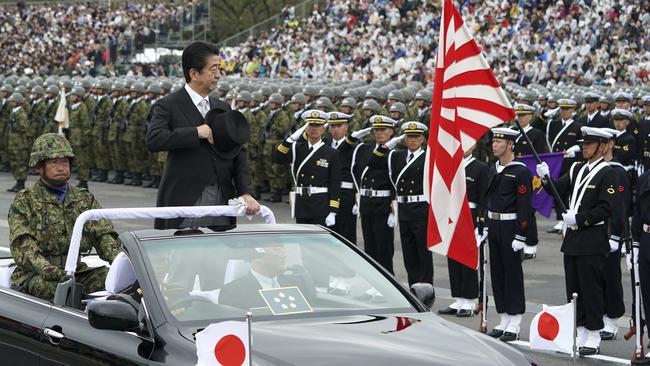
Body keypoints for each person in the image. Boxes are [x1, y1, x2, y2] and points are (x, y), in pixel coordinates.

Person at [146, 41, 260, 230]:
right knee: (183, 254)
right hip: (186, 196)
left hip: (222, 196)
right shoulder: (168, 105)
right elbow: (154, 139)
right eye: (213, 69)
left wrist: (245, 192)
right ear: (194, 73)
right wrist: (196, 132)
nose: (218, 75)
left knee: (219, 255)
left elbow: (238, 153)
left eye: (219, 69)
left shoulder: (221, 107)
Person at [9, 133, 120, 301]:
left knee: (114, 280)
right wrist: (46, 268)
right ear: (39, 166)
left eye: (65, 162)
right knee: (54, 289)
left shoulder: (84, 198)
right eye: (54, 162)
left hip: (76, 271)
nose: (61, 167)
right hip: (37, 274)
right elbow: (22, 243)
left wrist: (120, 261)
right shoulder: (26, 200)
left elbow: (103, 234)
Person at [536, 127, 617, 355]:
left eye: (589, 144)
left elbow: (606, 208)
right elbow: (556, 191)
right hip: (572, 239)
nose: (584, 147)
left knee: (591, 289)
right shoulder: (576, 168)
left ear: (602, 147)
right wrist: (545, 178)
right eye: (584, 143)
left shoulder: (608, 172)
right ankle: (580, 330)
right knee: (574, 288)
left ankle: (593, 333)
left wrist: (579, 219)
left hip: (591, 237)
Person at [485, 127, 532, 342]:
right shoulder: (493, 168)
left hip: (511, 226)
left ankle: (515, 321)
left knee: (512, 275)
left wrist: (521, 234)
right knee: (498, 273)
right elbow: (488, 199)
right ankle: (504, 317)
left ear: (510, 144)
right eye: (493, 141)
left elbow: (524, 206)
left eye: (499, 141)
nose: (494, 145)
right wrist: (484, 225)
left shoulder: (520, 171)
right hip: (494, 225)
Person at [439, 144, 488, 317]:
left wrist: (480, 224)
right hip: (452, 216)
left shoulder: (480, 168)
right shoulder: (451, 166)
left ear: (474, 145)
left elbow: (484, 198)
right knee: (453, 257)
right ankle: (459, 297)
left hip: (470, 216)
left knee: (468, 259)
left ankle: (470, 300)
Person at [273, 110, 341, 226]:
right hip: (302, 203)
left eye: (318, 125)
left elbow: (335, 183)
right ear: (305, 128)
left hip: (320, 204)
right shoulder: (297, 148)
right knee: (302, 242)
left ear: (323, 129)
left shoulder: (331, 153)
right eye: (311, 125)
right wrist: (289, 140)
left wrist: (333, 212)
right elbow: (277, 158)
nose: (314, 129)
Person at [352, 115, 402, 274]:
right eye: (376, 130)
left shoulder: (394, 153)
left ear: (391, 132)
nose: (379, 133)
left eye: (383, 130)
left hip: (383, 205)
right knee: (369, 247)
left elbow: (397, 181)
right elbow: (354, 171)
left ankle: (388, 282)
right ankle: (373, 284)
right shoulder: (363, 149)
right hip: (366, 203)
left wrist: (394, 208)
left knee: (384, 249)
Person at [386, 121, 432, 287]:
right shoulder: (396, 156)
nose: (412, 140)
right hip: (403, 208)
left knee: (423, 252)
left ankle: (426, 286)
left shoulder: (428, 156)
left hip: (421, 208)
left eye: (416, 137)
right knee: (409, 252)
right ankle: (414, 285)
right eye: (409, 137)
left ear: (422, 139)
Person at [600, 127, 628, 341]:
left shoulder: (618, 171)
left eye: (601, 143)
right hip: (592, 231)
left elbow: (620, 206)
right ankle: (598, 316)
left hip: (610, 231)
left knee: (610, 277)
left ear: (610, 145)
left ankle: (612, 320)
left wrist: (616, 235)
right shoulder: (590, 168)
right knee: (594, 278)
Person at [513, 103, 548, 259]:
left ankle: (531, 245)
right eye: (519, 115)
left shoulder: (536, 134)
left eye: (524, 115)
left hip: (529, 177)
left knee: (528, 210)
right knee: (516, 209)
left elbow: (542, 156)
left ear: (531, 117)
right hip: (514, 175)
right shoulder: (513, 132)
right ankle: (518, 239)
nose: (521, 118)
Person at [546, 98, 582, 234]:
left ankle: (569, 218)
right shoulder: (553, 124)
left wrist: (576, 148)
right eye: (562, 109)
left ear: (573, 110)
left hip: (569, 164)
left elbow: (584, 143)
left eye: (567, 109)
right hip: (556, 163)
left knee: (570, 191)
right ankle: (560, 220)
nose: (564, 111)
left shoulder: (578, 126)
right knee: (557, 191)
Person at [6, 92, 29, 192]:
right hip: (13, 142)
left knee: (20, 163)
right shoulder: (14, 111)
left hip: (19, 143)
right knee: (14, 163)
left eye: (13, 101)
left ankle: (21, 183)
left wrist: (14, 126)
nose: (12, 103)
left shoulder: (21, 113)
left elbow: (23, 127)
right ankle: (17, 182)